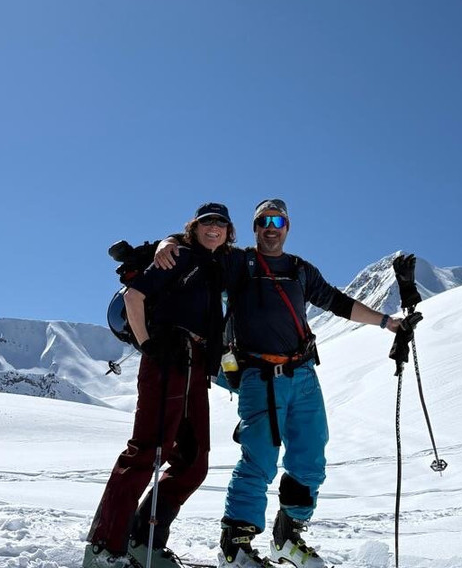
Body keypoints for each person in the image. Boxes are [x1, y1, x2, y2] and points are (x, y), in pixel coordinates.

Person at [155, 199, 410, 568]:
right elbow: (199, 251)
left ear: (287, 226)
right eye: (262, 221)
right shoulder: (238, 263)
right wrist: (168, 242)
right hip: (259, 376)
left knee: (310, 458)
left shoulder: (300, 270)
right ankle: (235, 545)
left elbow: (337, 302)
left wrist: (387, 322)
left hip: (304, 375)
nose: (270, 227)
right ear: (255, 228)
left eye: (277, 221)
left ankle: (287, 537)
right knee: (258, 460)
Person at [84, 202, 235, 568]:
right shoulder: (178, 255)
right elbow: (135, 296)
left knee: (193, 462)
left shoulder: (220, 265)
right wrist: (150, 345)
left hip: (197, 367)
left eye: (221, 223)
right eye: (206, 222)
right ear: (193, 228)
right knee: (146, 452)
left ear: (229, 232)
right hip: (167, 359)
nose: (213, 228)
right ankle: (104, 547)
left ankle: (142, 540)